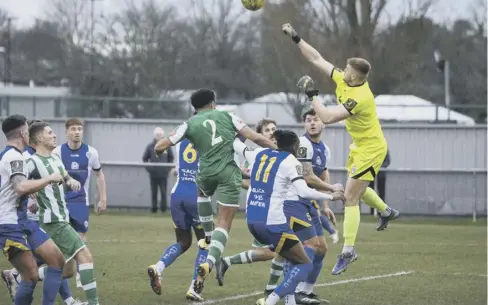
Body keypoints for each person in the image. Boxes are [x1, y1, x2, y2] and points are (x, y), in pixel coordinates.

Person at [282, 22, 400, 275]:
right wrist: (296, 37)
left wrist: (311, 93)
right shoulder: (346, 80)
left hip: (372, 148)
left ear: (354, 76)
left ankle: (348, 250)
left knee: (350, 198)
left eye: (346, 69)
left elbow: (326, 117)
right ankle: (386, 211)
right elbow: (317, 59)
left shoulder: (360, 97)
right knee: (354, 190)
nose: (342, 70)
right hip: (359, 147)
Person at [154, 88, 277, 292]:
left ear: (195, 107)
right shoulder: (228, 116)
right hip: (229, 173)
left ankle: (208, 237)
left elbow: (161, 145)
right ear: (213, 103)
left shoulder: (189, 123)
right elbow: (256, 137)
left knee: (203, 194)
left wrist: (159, 151)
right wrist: (277, 151)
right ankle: (209, 261)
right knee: (224, 223)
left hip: (205, 174)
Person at [233, 129, 343, 305]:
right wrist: (331, 196)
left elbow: (238, 146)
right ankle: (271, 300)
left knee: (292, 256)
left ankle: (289, 301)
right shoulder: (290, 161)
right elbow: (304, 191)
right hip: (273, 223)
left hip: (252, 221)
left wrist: (236, 133)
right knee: (305, 263)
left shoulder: (259, 153)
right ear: (294, 146)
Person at [1, 119, 85, 305]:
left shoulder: (14, 155)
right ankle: (67, 299)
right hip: (10, 224)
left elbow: (18, 188)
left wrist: (32, 196)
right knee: (30, 276)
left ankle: (61, 300)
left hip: (23, 220)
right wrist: (48, 179)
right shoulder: (15, 157)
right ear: (23, 133)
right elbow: (20, 186)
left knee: (57, 260)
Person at [27, 122, 100, 305]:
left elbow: (65, 177)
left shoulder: (55, 159)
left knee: (66, 270)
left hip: (60, 218)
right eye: (50, 133)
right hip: (54, 221)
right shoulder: (32, 162)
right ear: (39, 138)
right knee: (85, 257)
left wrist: (71, 181)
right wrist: (29, 190)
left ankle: (21, 277)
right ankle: (94, 303)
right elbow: (17, 184)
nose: (54, 135)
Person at [220, 118, 285, 296]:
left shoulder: (281, 154)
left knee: (277, 251)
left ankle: (227, 262)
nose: (272, 132)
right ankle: (279, 289)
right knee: (283, 249)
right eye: (267, 130)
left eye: (274, 129)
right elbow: (243, 180)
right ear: (259, 135)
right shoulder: (256, 154)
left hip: (274, 209)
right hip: (260, 208)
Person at [147, 138, 208, 301]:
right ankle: (195, 286)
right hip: (196, 196)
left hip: (177, 195)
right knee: (205, 242)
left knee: (183, 241)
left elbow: (166, 152)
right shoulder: (208, 139)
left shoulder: (181, 138)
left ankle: (158, 267)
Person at [52, 118, 106, 288]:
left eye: (79, 129)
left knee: (81, 237)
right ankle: (57, 270)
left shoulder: (91, 152)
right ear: (66, 131)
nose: (77, 132)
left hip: (81, 201)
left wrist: (102, 198)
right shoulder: (57, 152)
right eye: (73, 129)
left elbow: (99, 175)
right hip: (60, 201)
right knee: (60, 240)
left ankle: (80, 276)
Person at [143, 127, 173, 213]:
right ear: (155, 136)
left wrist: (167, 169)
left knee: (164, 192)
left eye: (160, 135)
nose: (159, 136)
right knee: (154, 192)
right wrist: (150, 169)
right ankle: (154, 208)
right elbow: (144, 158)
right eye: (157, 135)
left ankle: (163, 209)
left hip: (163, 174)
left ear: (162, 135)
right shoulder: (150, 146)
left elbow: (171, 157)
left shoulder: (166, 146)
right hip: (153, 174)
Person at [369, 149, 390, 215]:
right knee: (371, 193)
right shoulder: (371, 149)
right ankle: (372, 212)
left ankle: (381, 212)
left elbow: (387, 161)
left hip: (381, 174)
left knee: (381, 193)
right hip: (371, 174)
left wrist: (379, 167)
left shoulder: (385, 149)